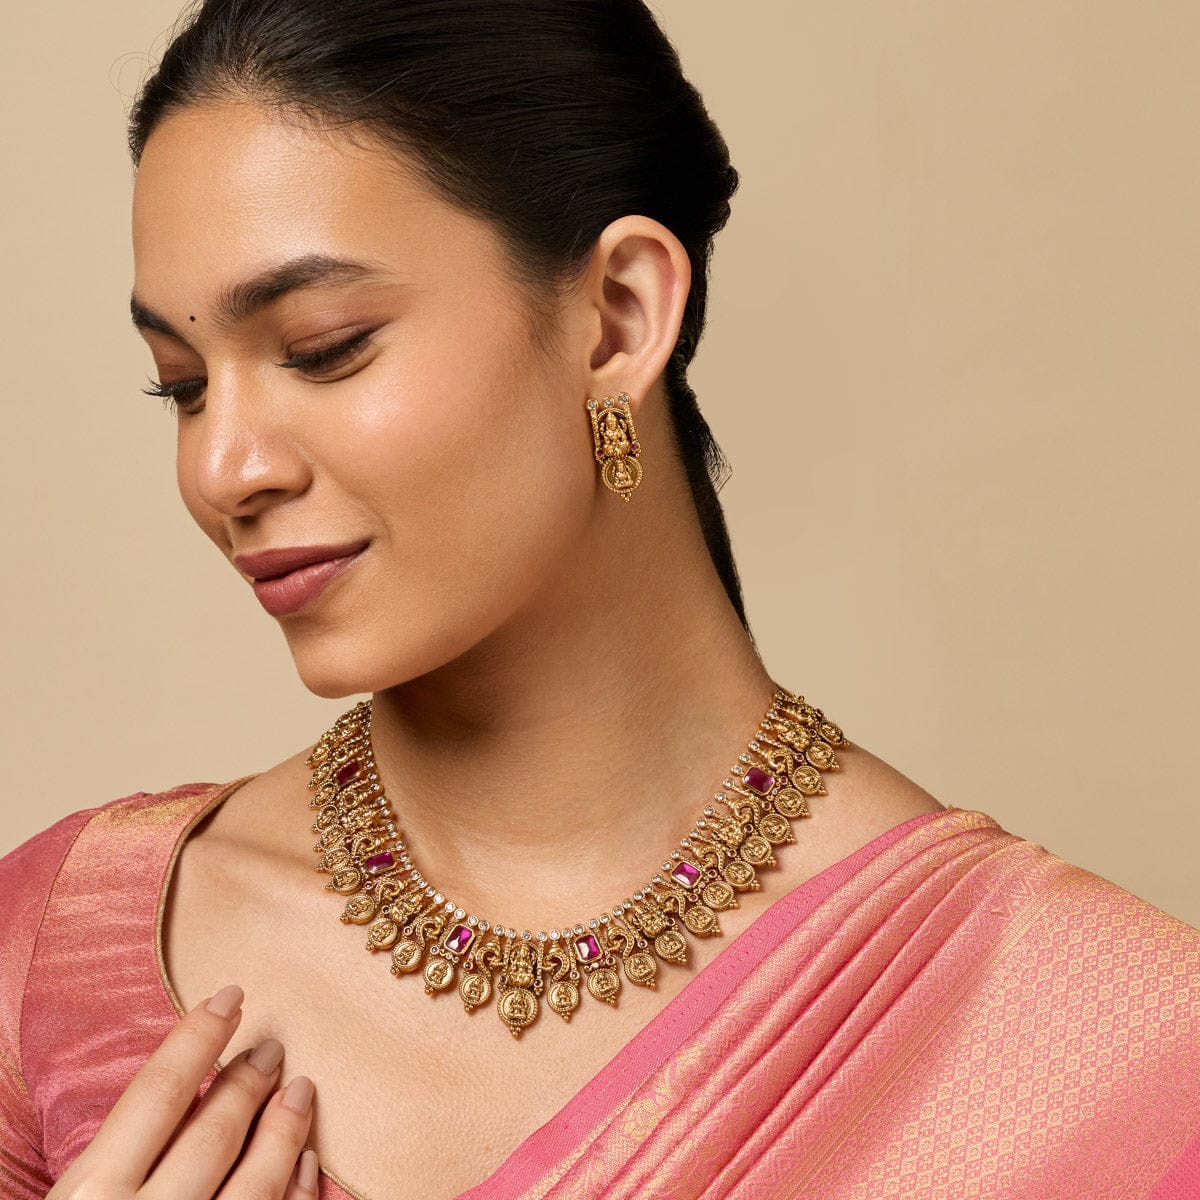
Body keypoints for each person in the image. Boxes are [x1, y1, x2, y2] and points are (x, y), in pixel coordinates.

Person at [2, 1, 1198, 1197]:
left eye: (323, 347)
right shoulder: (55, 964)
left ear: (619, 317)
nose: (223, 470)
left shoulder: (1100, 1052)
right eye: (182, 386)